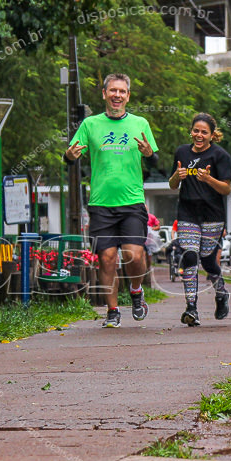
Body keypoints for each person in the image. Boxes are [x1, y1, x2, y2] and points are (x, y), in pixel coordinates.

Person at [65, 74, 159, 328]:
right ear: (104, 93)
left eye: (122, 91)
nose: (118, 95)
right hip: (101, 203)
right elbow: (72, 155)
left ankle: (136, 292)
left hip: (131, 202)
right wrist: (69, 155)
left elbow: (155, 160)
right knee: (106, 258)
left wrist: (149, 153)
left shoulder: (140, 123)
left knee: (133, 254)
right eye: (113, 91)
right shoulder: (90, 125)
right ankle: (113, 309)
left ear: (128, 96)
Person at [168, 113, 231, 326]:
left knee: (207, 260)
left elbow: (226, 188)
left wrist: (208, 179)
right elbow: (172, 184)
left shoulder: (220, 155)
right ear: (191, 131)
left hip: (212, 215)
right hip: (187, 213)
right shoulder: (181, 152)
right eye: (196, 130)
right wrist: (178, 176)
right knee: (189, 256)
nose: (199, 135)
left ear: (212, 135)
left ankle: (221, 292)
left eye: (204, 132)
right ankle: (191, 308)